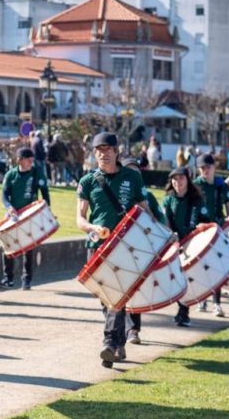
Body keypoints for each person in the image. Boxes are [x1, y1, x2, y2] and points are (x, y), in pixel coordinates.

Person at [76, 132, 151, 368]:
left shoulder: (132, 177)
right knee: (105, 297)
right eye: (99, 149)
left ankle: (109, 343)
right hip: (97, 246)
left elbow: (144, 211)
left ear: (117, 151)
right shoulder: (87, 181)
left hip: (125, 247)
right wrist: (92, 227)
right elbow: (79, 218)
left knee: (116, 296)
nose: (103, 153)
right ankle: (119, 343)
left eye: (108, 149)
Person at [121, 156, 166, 345]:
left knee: (135, 288)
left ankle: (133, 329)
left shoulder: (147, 195)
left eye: (136, 170)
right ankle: (118, 329)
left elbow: (159, 218)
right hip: (119, 245)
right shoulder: (117, 192)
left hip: (140, 246)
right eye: (130, 170)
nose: (134, 174)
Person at [162, 166, 211, 327]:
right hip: (175, 244)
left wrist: (200, 228)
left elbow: (205, 219)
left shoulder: (197, 199)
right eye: (174, 179)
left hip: (193, 244)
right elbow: (166, 220)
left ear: (187, 180)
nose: (178, 182)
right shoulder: (168, 199)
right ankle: (181, 310)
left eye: (181, 178)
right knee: (177, 278)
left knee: (189, 278)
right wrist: (172, 234)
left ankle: (184, 312)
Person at [0, 147, 50, 290]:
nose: (31, 161)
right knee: (7, 245)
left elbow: (45, 194)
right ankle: (8, 278)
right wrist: (9, 207)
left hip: (30, 214)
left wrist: (46, 211)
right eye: (28, 159)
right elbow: (4, 195)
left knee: (28, 247)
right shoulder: (10, 175)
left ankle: (26, 279)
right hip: (14, 214)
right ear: (19, 160)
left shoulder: (37, 173)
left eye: (32, 159)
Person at [193, 153, 229, 317]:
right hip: (200, 230)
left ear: (214, 167)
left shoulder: (221, 186)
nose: (205, 171)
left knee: (217, 268)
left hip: (217, 230)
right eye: (202, 168)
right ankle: (202, 299)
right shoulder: (195, 185)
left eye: (208, 167)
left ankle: (217, 304)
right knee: (201, 266)